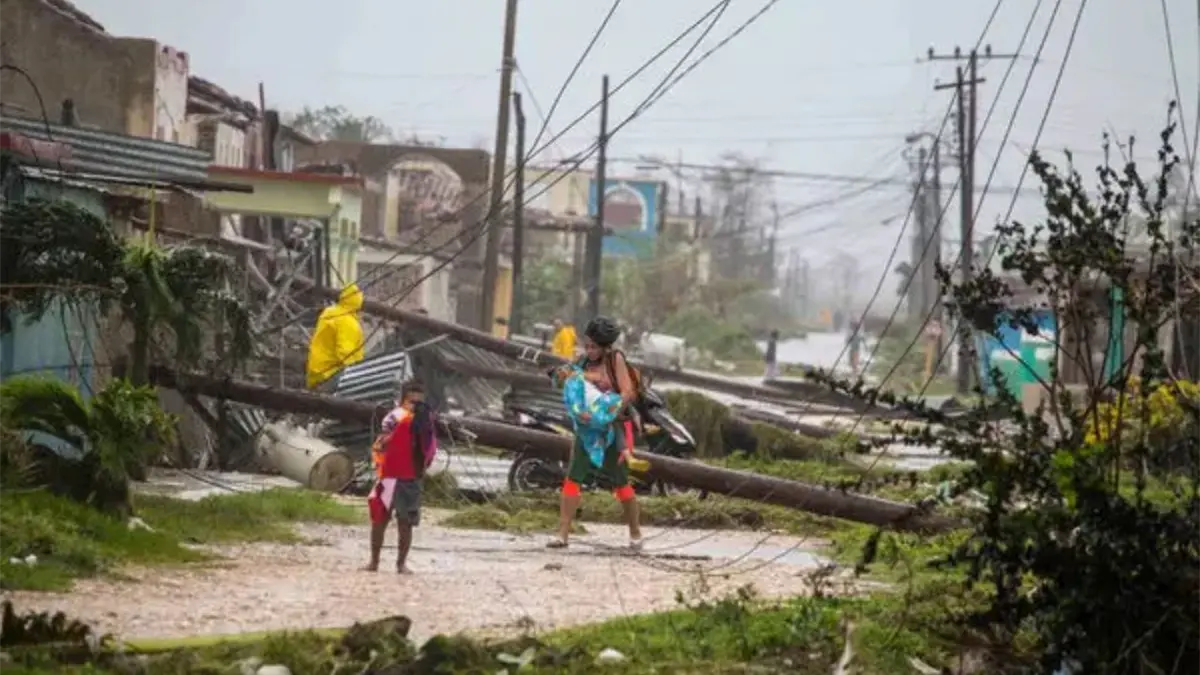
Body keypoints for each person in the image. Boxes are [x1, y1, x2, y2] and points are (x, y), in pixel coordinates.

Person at [547, 316, 643, 550]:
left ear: (606, 347)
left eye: (593, 347)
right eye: (586, 345)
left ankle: (635, 533)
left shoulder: (615, 359)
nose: (588, 351)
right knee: (573, 477)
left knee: (620, 481)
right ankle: (562, 534)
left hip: (611, 429)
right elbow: (569, 379)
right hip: (587, 429)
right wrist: (559, 376)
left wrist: (607, 409)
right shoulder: (582, 362)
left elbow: (628, 392)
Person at [365, 381, 437, 573]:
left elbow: (428, 449)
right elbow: (382, 443)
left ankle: (398, 563)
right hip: (389, 475)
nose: (415, 406)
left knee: (405, 522)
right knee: (381, 519)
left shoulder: (423, 422)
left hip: (409, 475)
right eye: (412, 401)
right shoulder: (395, 418)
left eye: (418, 402)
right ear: (404, 399)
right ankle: (376, 562)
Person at [306, 283, 366, 392]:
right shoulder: (348, 322)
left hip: (316, 374)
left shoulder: (329, 312)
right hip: (330, 375)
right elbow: (346, 355)